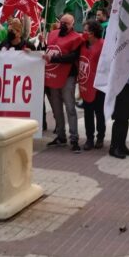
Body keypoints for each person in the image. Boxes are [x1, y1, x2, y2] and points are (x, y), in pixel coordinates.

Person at [43, 13, 82, 152]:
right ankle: (60, 136)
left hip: (68, 77)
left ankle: (74, 138)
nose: (64, 25)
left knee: (70, 107)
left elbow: (73, 57)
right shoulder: (52, 34)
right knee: (56, 107)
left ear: (72, 24)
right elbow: (47, 50)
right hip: (53, 75)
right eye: (62, 22)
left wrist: (54, 59)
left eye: (67, 23)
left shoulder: (77, 38)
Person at [78, 19, 105, 150]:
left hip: (99, 86)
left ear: (92, 33)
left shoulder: (103, 45)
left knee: (99, 112)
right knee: (88, 113)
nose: (83, 33)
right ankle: (89, 138)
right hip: (86, 84)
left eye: (85, 30)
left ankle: (100, 137)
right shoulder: (82, 44)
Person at [110, 64, 129, 159]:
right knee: (120, 117)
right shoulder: (120, 49)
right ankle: (114, 147)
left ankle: (122, 145)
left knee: (126, 117)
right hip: (121, 83)